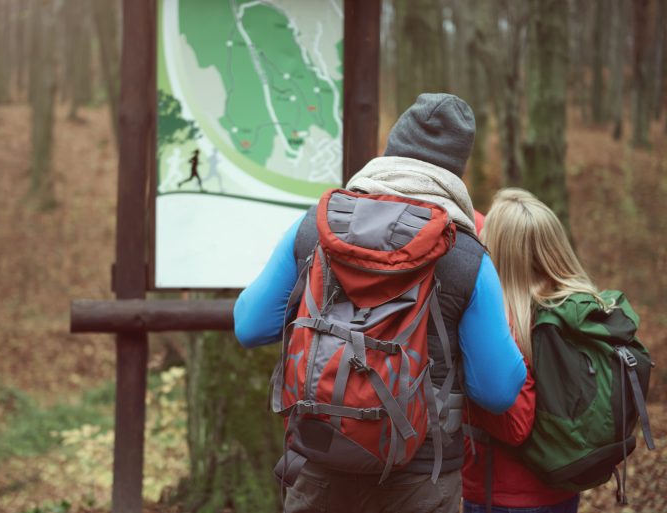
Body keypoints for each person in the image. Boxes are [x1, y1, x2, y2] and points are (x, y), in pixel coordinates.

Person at [234, 93, 527, 513]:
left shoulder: (313, 231)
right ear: (456, 170)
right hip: (420, 477)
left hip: (319, 463)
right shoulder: (467, 258)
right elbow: (498, 391)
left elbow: (250, 327)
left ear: (389, 152)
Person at [462, 188, 596, 513]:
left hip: (503, 497)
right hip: (564, 484)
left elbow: (515, 424)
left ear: (497, 248)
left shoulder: (502, 323)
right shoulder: (580, 306)